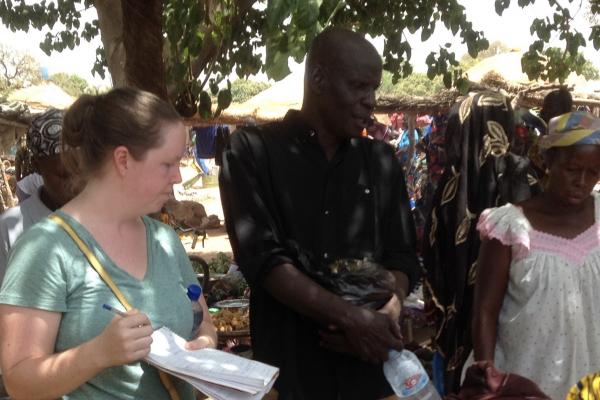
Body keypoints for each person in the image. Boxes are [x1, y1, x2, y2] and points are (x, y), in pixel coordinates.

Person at [219, 27, 419, 400]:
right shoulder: (252, 152)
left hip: (369, 373)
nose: (370, 100)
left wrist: (387, 313)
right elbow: (263, 259)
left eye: (373, 88)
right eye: (359, 86)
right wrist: (350, 317)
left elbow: (403, 257)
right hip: (291, 373)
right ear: (318, 78)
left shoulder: (381, 161)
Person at [0, 88, 217, 399]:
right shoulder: (45, 249)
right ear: (124, 160)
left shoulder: (164, 240)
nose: (178, 177)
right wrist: (98, 354)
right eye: (168, 164)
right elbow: (19, 382)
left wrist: (204, 344)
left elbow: (203, 323)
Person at [472, 111, 600, 399]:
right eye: (572, 168)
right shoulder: (509, 226)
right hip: (524, 379)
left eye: (593, 172)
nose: (582, 181)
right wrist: (487, 375)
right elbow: (485, 310)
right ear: (547, 160)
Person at [422, 92, 541, 392]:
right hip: (522, 329)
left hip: (457, 329)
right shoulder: (528, 180)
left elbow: (432, 260)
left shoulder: (449, 187)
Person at [0, 109, 75, 283]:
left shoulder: (106, 220)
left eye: (80, 170)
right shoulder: (9, 230)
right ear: (37, 167)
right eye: (63, 174)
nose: (75, 183)